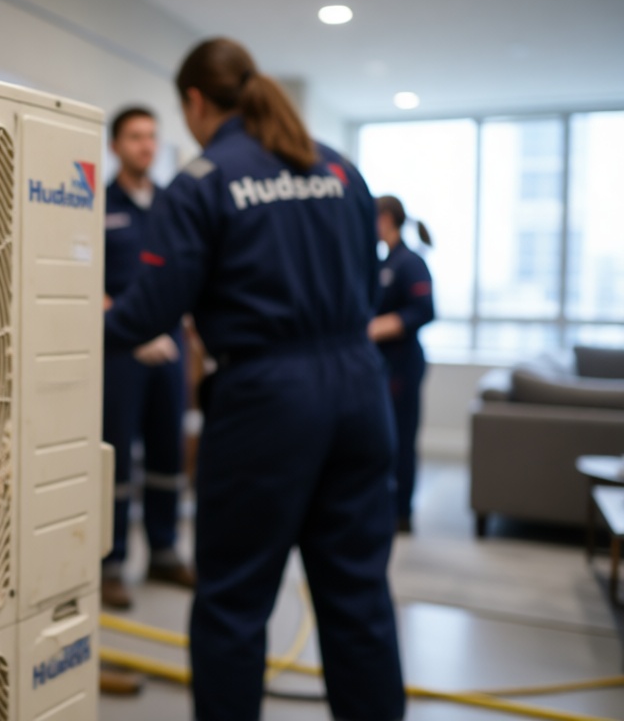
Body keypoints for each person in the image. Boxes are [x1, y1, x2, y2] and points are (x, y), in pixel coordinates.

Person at [104, 38, 405, 721]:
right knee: (358, 598)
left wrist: (83, 334)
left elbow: (155, 305)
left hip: (269, 401)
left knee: (234, 603)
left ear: (197, 102)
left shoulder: (206, 180)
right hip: (359, 389)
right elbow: (366, 283)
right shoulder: (339, 169)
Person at [100, 105, 195, 613]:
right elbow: (84, 279)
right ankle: (110, 561)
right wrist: (130, 329)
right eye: (135, 136)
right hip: (120, 349)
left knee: (167, 455)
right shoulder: (97, 203)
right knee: (116, 456)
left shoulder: (171, 205)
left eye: (152, 137)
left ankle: (162, 549)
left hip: (170, 347)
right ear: (116, 145)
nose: (146, 145)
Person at [369, 196, 435, 534]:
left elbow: (424, 310)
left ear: (387, 219)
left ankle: (402, 513)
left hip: (403, 363)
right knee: (383, 436)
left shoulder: (409, 262)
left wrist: (378, 328)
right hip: (381, 364)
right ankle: (384, 506)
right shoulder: (383, 262)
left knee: (401, 436)